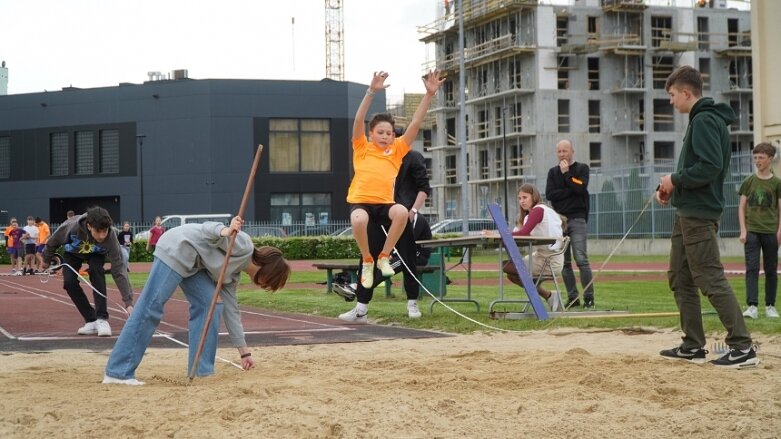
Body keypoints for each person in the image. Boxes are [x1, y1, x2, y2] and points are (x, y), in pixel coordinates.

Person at [103, 217, 291, 385]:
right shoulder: (243, 244)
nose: (265, 286)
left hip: (194, 266)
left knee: (212, 305)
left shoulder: (232, 277)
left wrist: (244, 353)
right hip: (178, 247)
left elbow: (232, 312)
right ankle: (118, 372)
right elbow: (207, 229)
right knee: (151, 306)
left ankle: (202, 371)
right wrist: (225, 231)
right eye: (270, 282)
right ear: (268, 273)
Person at [657, 65, 758, 368]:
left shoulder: (703, 120)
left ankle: (742, 347)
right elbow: (701, 169)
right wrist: (675, 188)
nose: (671, 101)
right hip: (687, 210)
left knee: (709, 276)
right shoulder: (701, 120)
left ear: (686, 93)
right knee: (680, 276)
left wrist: (675, 179)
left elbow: (710, 166)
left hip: (699, 215)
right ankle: (693, 345)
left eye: (673, 95)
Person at [346, 70, 443, 296]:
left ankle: (383, 257)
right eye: (380, 132)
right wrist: (371, 92)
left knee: (401, 212)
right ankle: (368, 260)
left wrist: (429, 95)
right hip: (362, 202)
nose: (385, 136)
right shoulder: (361, 147)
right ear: (371, 134)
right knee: (357, 219)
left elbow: (416, 122)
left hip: (384, 204)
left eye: (389, 133)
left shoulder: (397, 150)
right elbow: (359, 119)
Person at [337, 148, 433, 321]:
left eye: (389, 134)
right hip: (378, 213)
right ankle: (361, 308)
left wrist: (412, 210)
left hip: (401, 215)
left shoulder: (412, 156)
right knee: (367, 260)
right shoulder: (375, 156)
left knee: (407, 258)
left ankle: (412, 302)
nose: (385, 139)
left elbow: (424, 187)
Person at [42, 206, 134, 337]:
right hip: (72, 253)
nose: (103, 235)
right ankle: (91, 320)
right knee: (69, 283)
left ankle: (102, 319)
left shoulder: (111, 236)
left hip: (96, 253)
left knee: (97, 271)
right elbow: (52, 242)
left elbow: (118, 269)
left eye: (105, 231)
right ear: (89, 226)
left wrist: (128, 303)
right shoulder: (70, 226)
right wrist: (46, 260)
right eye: (99, 231)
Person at [545, 139, 595, 309]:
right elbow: (550, 194)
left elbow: (580, 188)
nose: (562, 154)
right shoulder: (552, 173)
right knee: (564, 263)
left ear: (572, 151)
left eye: (565, 151)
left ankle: (589, 298)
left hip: (577, 219)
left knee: (581, 259)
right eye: (559, 151)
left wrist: (567, 174)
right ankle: (573, 298)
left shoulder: (582, 169)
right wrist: (570, 190)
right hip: (559, 222)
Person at [501, 184, 565, 311]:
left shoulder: (538, 210)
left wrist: (499, 234)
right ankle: (549, 296)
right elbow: (521, 233)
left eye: (525, 197)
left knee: (507, 266)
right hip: (544, 256)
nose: (522, 201)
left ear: (534, 196)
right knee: (511, 273)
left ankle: (547, 298)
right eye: (519, 198)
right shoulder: (539, 211)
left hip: (549, 260)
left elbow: (523, 233)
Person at [738, 142, 781, 319]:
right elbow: (741, 207)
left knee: (771, 270)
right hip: (752, 232)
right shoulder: (748, 182)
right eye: (755, 158)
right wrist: (743, 230)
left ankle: (770, 306)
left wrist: (780, 231)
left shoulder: (777, 183)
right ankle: (752, 307)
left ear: (770, 159)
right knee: (752, 268)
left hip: (771, 232)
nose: (758, 161)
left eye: (761, 158)